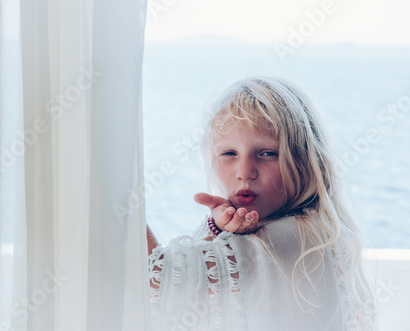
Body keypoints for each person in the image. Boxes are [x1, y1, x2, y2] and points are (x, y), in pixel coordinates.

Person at [146, 76, 377, 330]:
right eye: (229, 154)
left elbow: (159, 278)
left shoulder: (301, 236)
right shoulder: (304, 224)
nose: (244, 171)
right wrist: (220, 231)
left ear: (305, 161)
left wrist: (114, 194)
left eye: (267, 154)